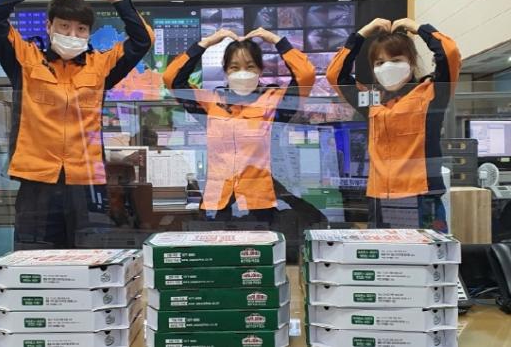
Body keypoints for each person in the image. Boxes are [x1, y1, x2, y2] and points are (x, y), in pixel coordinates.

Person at [0, 0, 154, 248]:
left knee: (90, 259)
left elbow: (142, 40)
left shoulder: (101, 66)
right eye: (64, 26)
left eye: (81, 29)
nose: (72, 35)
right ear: (49, 26)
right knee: (33, 257)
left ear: (89, 33)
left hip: (86, 183)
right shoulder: (25, 60)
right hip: (36, 181)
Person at [163, 27, 325, 223]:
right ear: (225, 71)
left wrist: (276, 40)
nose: (243, 73)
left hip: (260, 202)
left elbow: (305, 76)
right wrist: (206, 43)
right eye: (234, 67)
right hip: (218, 203)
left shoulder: (274, 102)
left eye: (250, 67)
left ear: (260, 70)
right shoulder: (210, 103)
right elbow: (172, 79)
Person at [326, 18, 461, 231]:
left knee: (425, 252)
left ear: (411, 63)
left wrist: (418, 28)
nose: (387, 67)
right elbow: (335, 75)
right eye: (379, 63)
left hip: (420, 197)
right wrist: (362, 33)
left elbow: (450, 53)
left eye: (396, 59)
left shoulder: (431, 93)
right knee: (382, 253)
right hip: (380, 198)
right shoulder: (372, 100)